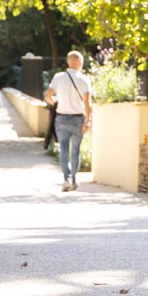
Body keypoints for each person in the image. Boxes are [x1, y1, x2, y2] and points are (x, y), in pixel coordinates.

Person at [48, 51, 94, 193]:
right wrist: (87, 120)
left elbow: (48, 96)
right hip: (77, 118)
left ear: (68, 62)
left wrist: (56, 103)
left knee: (63, 149)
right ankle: (73, 179)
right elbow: (87, 102)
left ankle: (66, 178)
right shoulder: (84, 79)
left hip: (61, 117)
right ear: (80, 62)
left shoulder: (58, 77)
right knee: (75, 150)